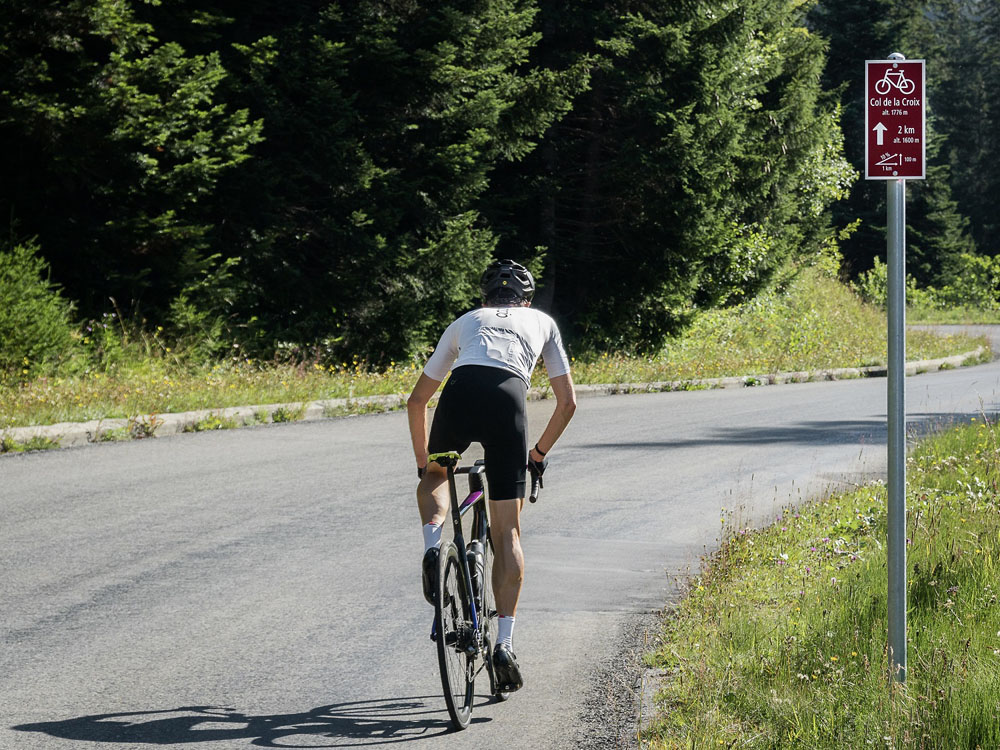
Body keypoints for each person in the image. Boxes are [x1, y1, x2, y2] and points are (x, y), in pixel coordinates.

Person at [406, 259, 576, 692]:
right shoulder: (542, 321)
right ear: (527, 299)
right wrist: (536, 454)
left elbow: (416, 401)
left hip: (460, 394)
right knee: (508, 537)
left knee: (438, 477)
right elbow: (567, 403)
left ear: (484, 298)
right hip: (508, 403)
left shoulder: (466, 321)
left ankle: (432, 546)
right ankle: (504, 645)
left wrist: (427, 466)